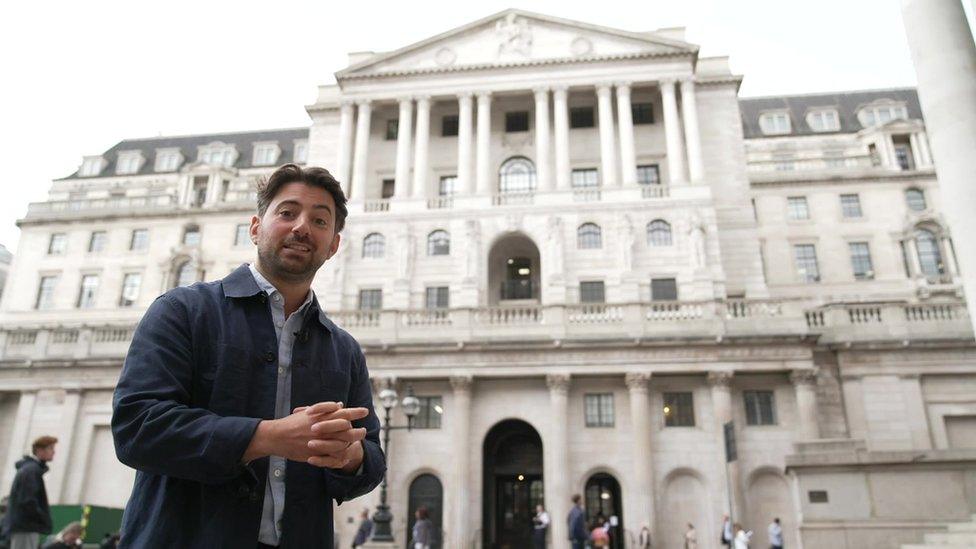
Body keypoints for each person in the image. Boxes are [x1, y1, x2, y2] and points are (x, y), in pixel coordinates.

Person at [111, 164, 386, 548]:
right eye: (287, 213)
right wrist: (265, 437)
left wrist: (351, 455)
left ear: (333, 245)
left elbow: (372, 459)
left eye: (320, 220)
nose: (302, 227)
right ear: (256, 227)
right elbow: (136, 428)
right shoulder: (182, 311)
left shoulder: (345, 349)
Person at [5, 436, 57, 549]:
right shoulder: (31, 471)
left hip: (25, 525)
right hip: (26, 525)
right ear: (39, 450)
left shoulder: (29, 469)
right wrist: (41, 517)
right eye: (51, 448)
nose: (54, 452)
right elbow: (27, 501)